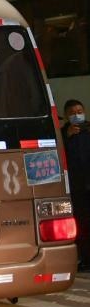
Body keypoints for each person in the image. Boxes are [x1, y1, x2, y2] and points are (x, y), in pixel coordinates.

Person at [61, 99, 90, 271]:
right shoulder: (62, 134)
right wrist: (67, 137)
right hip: (75, 186)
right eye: (72, 113)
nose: (77, 115)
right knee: (80, 223)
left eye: (79, 111)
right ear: (66, 116)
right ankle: (83, 258)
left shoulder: (88, 129)